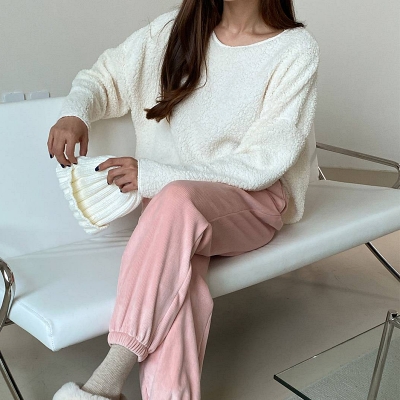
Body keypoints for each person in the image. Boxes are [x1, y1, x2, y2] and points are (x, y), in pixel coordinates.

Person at [49, 0, 319, 398]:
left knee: (176, 203)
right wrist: (75, 113)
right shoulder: (170, 31)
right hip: (173, 211)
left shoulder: (295, 49)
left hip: (252, 202)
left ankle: (105, 381)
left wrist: (158, 176)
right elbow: (104, 78)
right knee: (182, 272)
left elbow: (263, 161)